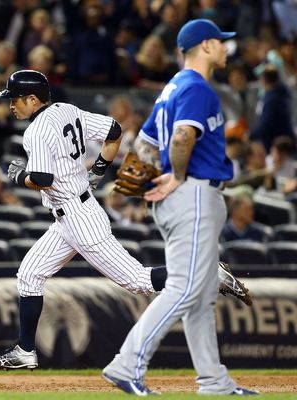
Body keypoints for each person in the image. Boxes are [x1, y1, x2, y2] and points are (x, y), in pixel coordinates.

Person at [0, 69, 249, 371]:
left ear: (32, 98)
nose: (12, 105)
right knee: (29, 274)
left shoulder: (36, 131)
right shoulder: (66, 110)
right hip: (70, 216)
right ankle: (25, 350)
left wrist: (20, 176)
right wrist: (99, 168)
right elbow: (113, 130)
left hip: (79, 218)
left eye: (15, 99)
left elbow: (43, 178)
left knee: (139, 280)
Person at [102, 20, 258, 396]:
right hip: (194, 193)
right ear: (204, 46)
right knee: (185, 287)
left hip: (184, 198)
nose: (225, 49)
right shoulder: (196, 87)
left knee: (202, 296)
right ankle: (126, 364)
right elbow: (184, 135)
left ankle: (214, 382)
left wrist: (147, 185)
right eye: (221, 43)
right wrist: (175, 176)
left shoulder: (171, 88)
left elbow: (144, 143)